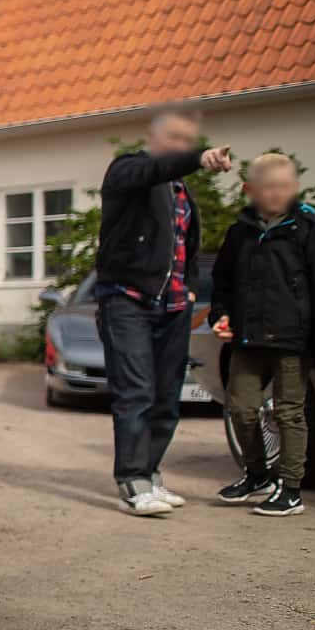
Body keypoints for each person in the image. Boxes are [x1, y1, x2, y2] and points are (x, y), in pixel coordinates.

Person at [94, 104, 232, 516]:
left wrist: (188, 291)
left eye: (188, 141)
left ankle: (150, 474)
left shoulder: (182, 193)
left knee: (166, 398)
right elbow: (153, 170)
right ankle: (132, 481)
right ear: (152, 137)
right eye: (174, 137)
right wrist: (198, 159)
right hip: (127, 301)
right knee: (135, 394)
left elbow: (186, 248)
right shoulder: (127, 171)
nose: (181, 145)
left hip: (173, 306)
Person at [209, 153, 315, 517]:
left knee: (289, 414)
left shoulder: (309, 228)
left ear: (294, 188)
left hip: (293, 340)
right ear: (250, 189)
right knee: (241, 408)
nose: (277, 193)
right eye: (269, 187)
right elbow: (223, 284)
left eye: (284, 186)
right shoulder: (239, 233)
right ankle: (256, 474)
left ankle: (291, 489)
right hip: (248, 338)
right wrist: (221, 315)